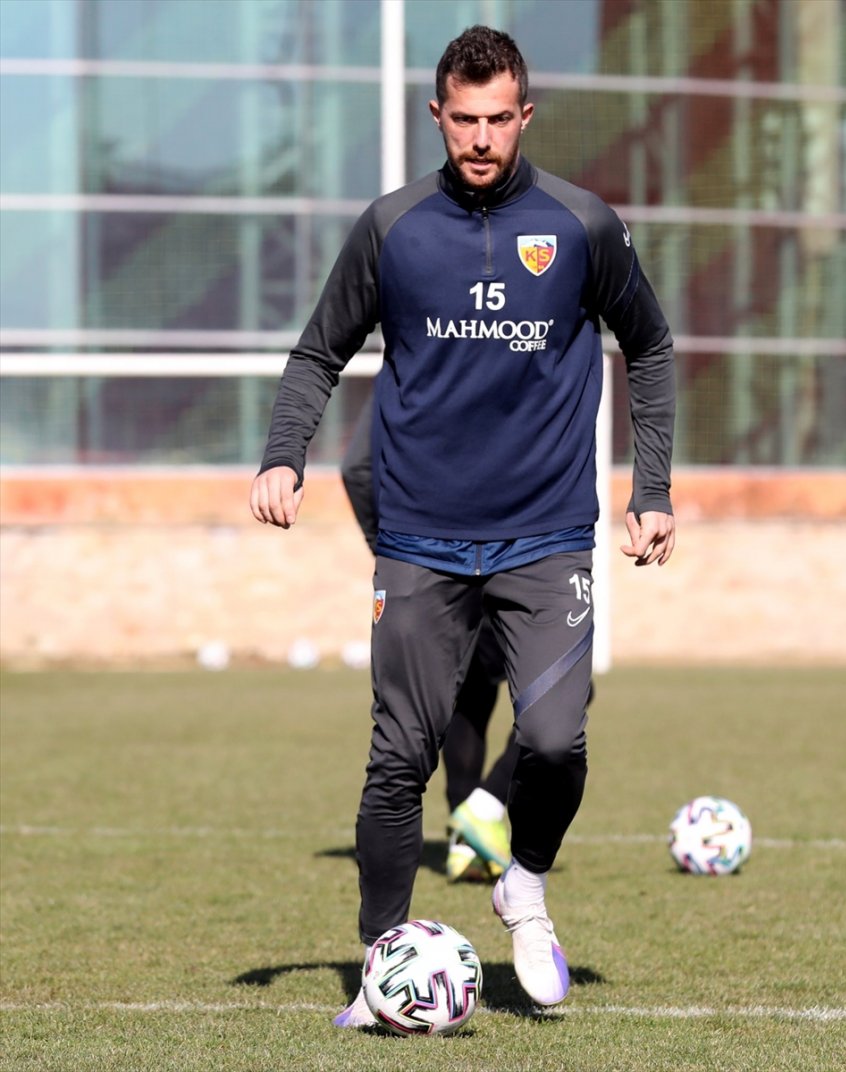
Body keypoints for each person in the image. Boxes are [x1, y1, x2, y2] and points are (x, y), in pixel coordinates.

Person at [250, 25, 676, 1024]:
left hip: (547, 535)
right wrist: (282, 454)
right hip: (419, 538)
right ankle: (383, 970)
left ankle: (523, 884)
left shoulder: (580, 224)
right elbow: (318, 351)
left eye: (498, 119)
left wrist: (651, 489)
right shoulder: (392, 228)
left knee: (556, 742)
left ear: (525, 116)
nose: (481, 138)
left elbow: (650, 347)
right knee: (399, 759)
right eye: (463, 120)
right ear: (436, 115)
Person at [341, 389, 518, 883]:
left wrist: (389, 548)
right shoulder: (484, 364)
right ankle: (485, 806)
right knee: (569, 689)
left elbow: (356, 469)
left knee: (469, 695)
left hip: (420, 563)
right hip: (502, 553)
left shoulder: (401, 374)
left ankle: (466, 842)